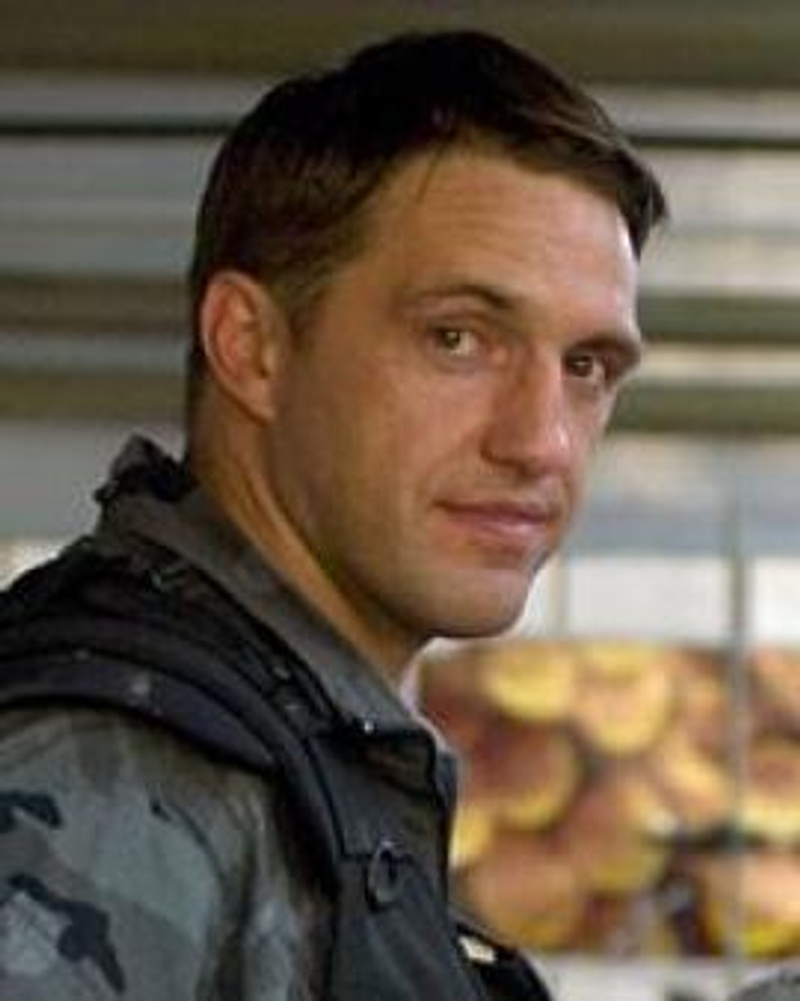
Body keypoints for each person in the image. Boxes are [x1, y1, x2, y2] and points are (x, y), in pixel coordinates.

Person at [0, 29, 666, 1001]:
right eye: (457, 338)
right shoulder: (106, 789)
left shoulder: (289, 761)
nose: (542, 442)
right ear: (252, 346)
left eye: (586, 366)